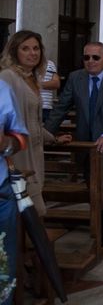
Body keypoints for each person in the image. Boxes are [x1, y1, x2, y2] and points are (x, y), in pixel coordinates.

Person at [45, 41, 103, 247]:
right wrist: (45, 133)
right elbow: (61, 108)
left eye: (95, 57)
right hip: (86, 144)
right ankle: (102, 227)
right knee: (95, 189)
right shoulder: (76, 78)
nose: (90, 61)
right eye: (86, 57)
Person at [0, 31, 71, 216]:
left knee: (31, 209)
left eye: (36, 48)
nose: (32, 53)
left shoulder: (32, 78)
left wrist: (53, 138)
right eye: (25, 49)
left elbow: (34, 122)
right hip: (18, 153)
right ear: (15, 51)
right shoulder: (8, 77)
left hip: (35, 149)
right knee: (33, 210)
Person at [0, 80, 29, 305]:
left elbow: (20, 138)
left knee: (2, 264)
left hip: (0, 191)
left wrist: (6, 143)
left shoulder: (2, 88)